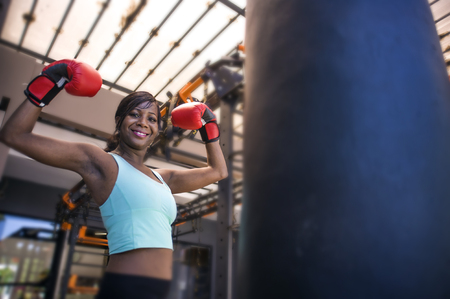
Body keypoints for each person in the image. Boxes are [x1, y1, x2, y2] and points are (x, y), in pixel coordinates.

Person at [0, 59, 228, 298]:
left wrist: (209, 128)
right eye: (134, 114)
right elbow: (14, 135)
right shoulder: (101, 162)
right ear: (119, 122)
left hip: (158, 291)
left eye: (152, 118)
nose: (143, 122)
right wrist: (50, 81)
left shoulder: (163, 178)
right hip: (126, 288)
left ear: (157, 131)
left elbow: (218, 171)